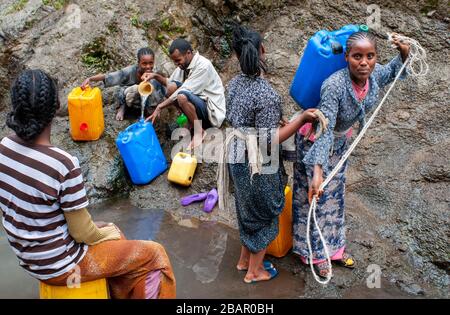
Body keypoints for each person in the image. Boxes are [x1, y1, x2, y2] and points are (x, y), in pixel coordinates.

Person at [0, 69, 176, 298]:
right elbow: (82, 233)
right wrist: (109, 233)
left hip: (32, 261)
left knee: (111, 233)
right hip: (63, 266)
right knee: (154, 255)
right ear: (56, 107)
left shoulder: (4, 148)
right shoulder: (62, 163)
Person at [292, 31, 410, 278]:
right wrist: (317, 171)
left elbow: (392, 72)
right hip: (314, 144)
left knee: (335, 197)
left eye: (370, 56)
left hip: (340, 145)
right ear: (346, 57)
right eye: (357, 56)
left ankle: (334, 248)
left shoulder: (374, 75)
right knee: (315, 198)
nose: (364, 62)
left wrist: (404, 53)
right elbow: (324, 129)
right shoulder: (334, 86)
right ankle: (313, 253)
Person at [224, 25, 317, 283]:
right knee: (264, 210)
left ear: (237, 55)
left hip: (235, 153)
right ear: (262, 50)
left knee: (246, 206)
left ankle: (244, 261)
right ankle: (255, 271)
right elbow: (267, 142)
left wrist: (278, 121)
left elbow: (245, 122)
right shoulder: (266, 94)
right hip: (257, 161)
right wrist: (301, 120)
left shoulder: (233, 84)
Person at [144, 38, 226, 149]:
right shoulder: (184, 66)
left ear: (188, 53)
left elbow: (183, 91)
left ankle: (199, 132)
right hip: (198, 106)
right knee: (172, 88)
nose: (177, 64)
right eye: (175, 62)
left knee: (182, 97)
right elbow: (170, 84)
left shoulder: (203, 66)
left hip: (211, 112)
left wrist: (160, 106)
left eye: (178, 60)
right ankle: (192, 121)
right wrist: (155, 76)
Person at [81, 47, 167, 121]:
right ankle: (122, 108)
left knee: (156, 85)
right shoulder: (130, 71)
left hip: (146, 100)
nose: (148, 66)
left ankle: (149, 111)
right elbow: (109, 76)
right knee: (122, 89)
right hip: (131, 99)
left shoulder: (155, 74)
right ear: (138, 62)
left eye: (151, 63)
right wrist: (90, 78)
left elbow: (166, 86)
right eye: (144, 63)